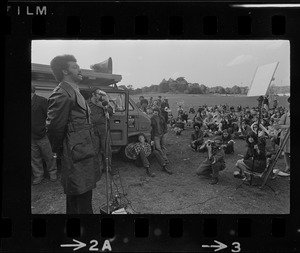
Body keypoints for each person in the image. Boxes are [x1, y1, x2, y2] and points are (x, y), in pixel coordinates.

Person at [46, 55, 101, 214]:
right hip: (75, 156)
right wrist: (59, 152)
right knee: (80, 200)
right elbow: (54, 128)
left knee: (81, 196)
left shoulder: (73, 90)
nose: (80, 69)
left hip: (83, 153)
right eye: (75, 67)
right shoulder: (62, 93)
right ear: (64, 71)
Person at [31, 85, 57, 185]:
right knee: (34, 158)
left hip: (43, 134)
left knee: (49, 155)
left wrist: (45, 130)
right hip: (31, 136)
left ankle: (52, 173)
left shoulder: (42, 101)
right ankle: (38, 175)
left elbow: (50, 117)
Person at [150, 108, 172, 173]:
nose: (155, 112)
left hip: (162, 134)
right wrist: (152, 137)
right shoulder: (151, 119)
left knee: (163, 146)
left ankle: (165, 159)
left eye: (156, 111)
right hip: (156, 135)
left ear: (158, 112)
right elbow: (151, 129)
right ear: (153, 112)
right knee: (158, 147)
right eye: (154, 111)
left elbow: (165, 124)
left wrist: (165, 131)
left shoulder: (161, 117)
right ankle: (163, 159)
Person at [274, 97, 290, 176]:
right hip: (286, 137)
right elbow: (278, 126)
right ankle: (288, 165)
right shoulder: (285, 116)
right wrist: (288, 126)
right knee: (286, 152)